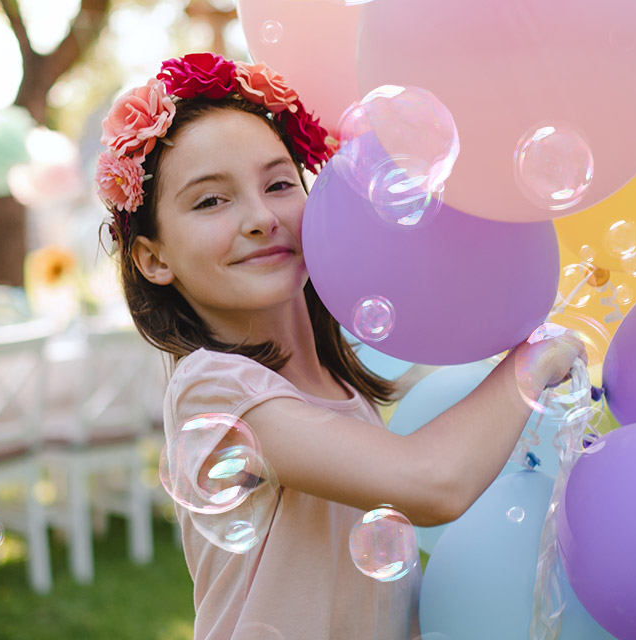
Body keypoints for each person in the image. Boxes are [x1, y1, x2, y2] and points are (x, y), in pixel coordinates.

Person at [95, 52, 587, 640]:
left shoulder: (336, 382)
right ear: (153, 257)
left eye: (279, 184)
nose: (260, 218)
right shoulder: (215, 389)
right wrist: (531, 364)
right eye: (210, 201)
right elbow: (432, 482)